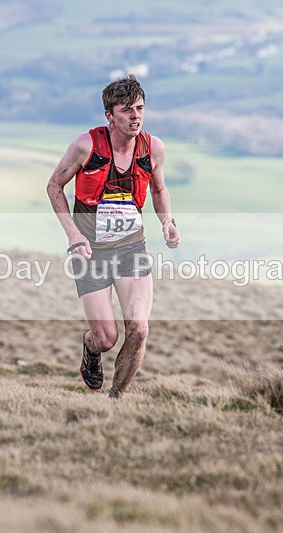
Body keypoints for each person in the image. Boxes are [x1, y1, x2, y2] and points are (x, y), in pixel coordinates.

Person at [46, 74, 180, 398]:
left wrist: (167, 222)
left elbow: (159, 190)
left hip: (131, 248)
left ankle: (115, 400)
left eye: (140, 108)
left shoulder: (153, 148)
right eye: (127, 110)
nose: (136, 116)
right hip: (90, 251)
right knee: (106, 338)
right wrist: (73, 235)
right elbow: (54, 186)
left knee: (139, 329)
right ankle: (91, 348)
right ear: (110, 115)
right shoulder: (86, 145)